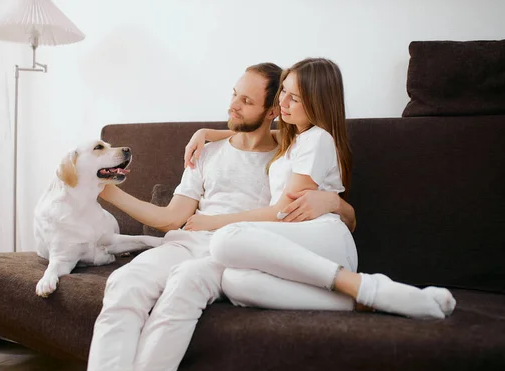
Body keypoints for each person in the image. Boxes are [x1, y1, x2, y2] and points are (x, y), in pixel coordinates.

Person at [84, 63, 350, 371]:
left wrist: (337, 204)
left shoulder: (290, 151)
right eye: (234, 95)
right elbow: (169, 219)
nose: (233, 106)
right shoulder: (206, 153)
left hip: (232, 253)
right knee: (125, 283)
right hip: (186, 242)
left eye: (247, 101)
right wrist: (110, 193)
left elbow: (303, 196)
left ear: (272, 112)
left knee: (182, 288)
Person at [183, 58, 457, 319]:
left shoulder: (317, 139)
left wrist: (212, 222)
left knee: (225, 239)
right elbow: (253, 133)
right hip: (301, 243)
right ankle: (367, 299)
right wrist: (207, 133)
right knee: (235, 282)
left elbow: (284, 211)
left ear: (317, 102)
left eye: (295, 98)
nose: (283, 103)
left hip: (323, 239)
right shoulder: (296, 137)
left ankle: (362, 285)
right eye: (283, 92)